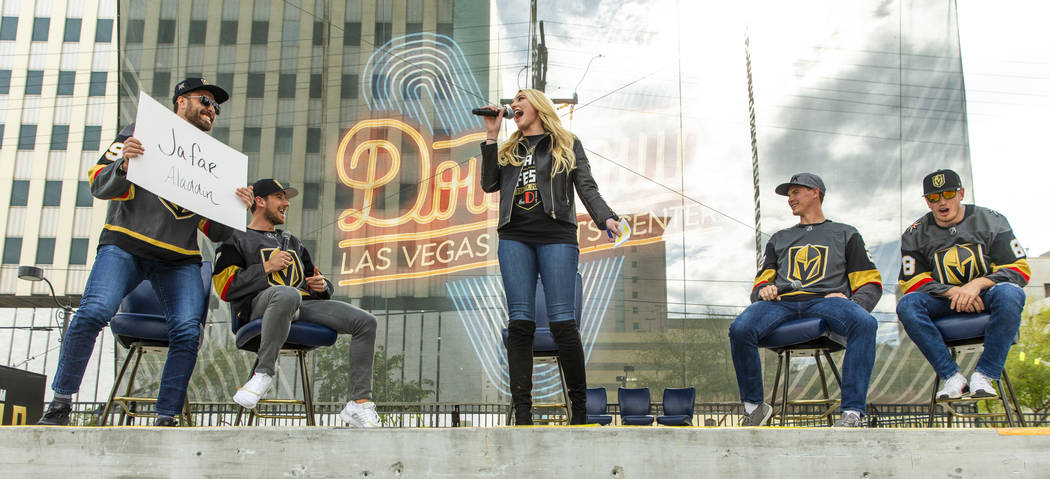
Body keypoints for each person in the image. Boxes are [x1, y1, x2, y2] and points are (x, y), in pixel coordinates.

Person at [38, 78, 252, 426]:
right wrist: (123, 164)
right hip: (125, 243)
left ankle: (166, 416)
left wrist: (234, 208)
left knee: (187, 331)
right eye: (205, 101)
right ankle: (61, 403)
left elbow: (217, 233)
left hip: (179, 257)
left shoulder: (214, 162)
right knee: (93, 312)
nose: (211, 110)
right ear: (180, 101)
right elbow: (97, 183)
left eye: (216, 107)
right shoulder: (138, 130)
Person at [479, 89, 622, 425]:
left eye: (520, 100)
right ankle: (524, 416)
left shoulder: (567, 142)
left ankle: (580, 414)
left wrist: (607, 218)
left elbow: (587, 186)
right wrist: (490, 135)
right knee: (520, 322)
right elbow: (489, 185)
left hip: (556, 234)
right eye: (512, 103)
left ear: (538, 106)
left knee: (562, 322)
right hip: (515, 236)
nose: (513, 106)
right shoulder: (508, 148)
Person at [212, 179, 380, 427]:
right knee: (287, 294)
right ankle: (263, 373)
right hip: (259, 307)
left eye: (286, 198)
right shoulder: (236, 238)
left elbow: (314, 278)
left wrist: (323, 287)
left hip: (299, 305)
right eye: (279, 197)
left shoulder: (292, 242)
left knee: (365, 321)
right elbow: (225, 287)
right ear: (260, 201)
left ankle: (359, 403)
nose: (286, 203)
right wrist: (267, 267)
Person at [728, 173, 882, 427]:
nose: (790, 198)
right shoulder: (779, 238)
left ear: (815, 192)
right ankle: (755, 407)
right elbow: (762, 280)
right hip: (781, 303)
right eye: (789, 194)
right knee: (740, 328)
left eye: (795, 192)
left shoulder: (845, 233)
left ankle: (852, 412)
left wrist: (851, 303)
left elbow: (870, 282)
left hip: (825, 301)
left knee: (865, 323)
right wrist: (764, 289)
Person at [896, 169, 1028, 400]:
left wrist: (976, 285)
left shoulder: (992, 219)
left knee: (1011, 293)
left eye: (947, 193)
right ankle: (951, 376)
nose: (942, 201)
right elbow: (911, 280)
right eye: (934, 197)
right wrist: (953, 291)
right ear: (927, 202)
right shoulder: (914, 233)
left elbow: (1019, 268)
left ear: (961, 193)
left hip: (987, 294)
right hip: (945, 300)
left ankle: (985, 375)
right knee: (908, 304)